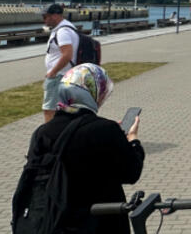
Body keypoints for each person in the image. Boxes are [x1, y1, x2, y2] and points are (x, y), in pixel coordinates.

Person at [14, 64, 144, 233]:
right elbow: (131, 173)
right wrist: (133, 140)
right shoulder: (104, 129)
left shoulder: (41, 132)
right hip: (98, 222)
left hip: (54, 222)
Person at [42, 4, 79, 123]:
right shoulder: (68, 27)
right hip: (66, 75)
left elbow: (67, 54)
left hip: (58, 76)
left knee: (49, 110)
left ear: (55, 16)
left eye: (45, 17)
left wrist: (53, 72)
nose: (44, 20)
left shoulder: (63, 32)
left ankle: (49, 133)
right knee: (65, 109)